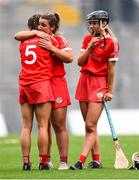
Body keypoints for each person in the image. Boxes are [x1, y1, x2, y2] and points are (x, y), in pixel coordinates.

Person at [15, 13, 73, 170]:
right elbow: (18, 35)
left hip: (55, 82)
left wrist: (52, 48)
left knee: (59, 125)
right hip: (41, 83)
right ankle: (45, 160)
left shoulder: (58, 39)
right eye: (39, 25)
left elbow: (69, 57)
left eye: (43, 25)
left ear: (52, 27)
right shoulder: (33, 38)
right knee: (44, 125)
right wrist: (36, 33)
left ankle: (63, 161)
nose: (40, 27)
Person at [70, 10, 119, 170]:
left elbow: (111, 70)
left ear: (104, 23)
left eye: (95, 22)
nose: (91, 26)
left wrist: (109, 91)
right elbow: (80, 62)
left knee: (90, 125)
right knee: (89, 126)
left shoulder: (112, 43)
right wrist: (90, 46)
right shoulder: (87, 39)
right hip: (84, 82)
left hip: (99, 84)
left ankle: (81, 161)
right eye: (90, 23)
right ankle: (96, 160)